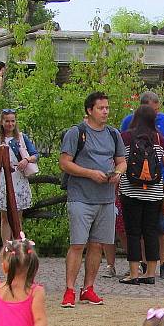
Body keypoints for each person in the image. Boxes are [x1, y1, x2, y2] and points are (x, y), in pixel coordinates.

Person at [59, 91, 126, 307]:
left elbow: (122, 161)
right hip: (81, 196)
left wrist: (118, 172)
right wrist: (89, 173)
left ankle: (88, 288)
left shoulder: (114, 134)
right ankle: (69, 289)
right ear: (89, 110)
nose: (105, 111)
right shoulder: (76, 133)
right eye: (101, 108)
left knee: (97, 245)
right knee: (77, 244)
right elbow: (65, 163)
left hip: (106, 198)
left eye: (107, 107)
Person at [121, 91, 164, 279]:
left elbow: (118, 161)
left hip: (130, 190)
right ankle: (150, 273)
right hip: (154, 191)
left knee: (133, 232)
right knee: (151, 230)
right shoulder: (158, 138)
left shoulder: (125, 137)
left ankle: (134, 273)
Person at [0, 108, 39, 243]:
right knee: (4, 215)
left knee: (17, 215)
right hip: (3, 178)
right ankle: (6, 247)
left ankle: (18, 244)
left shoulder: (21, 138)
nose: (10, 124)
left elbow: (35, 154)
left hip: (18, 177)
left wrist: (26, 160)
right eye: (7, 121)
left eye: (12, 121)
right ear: (2, 122)